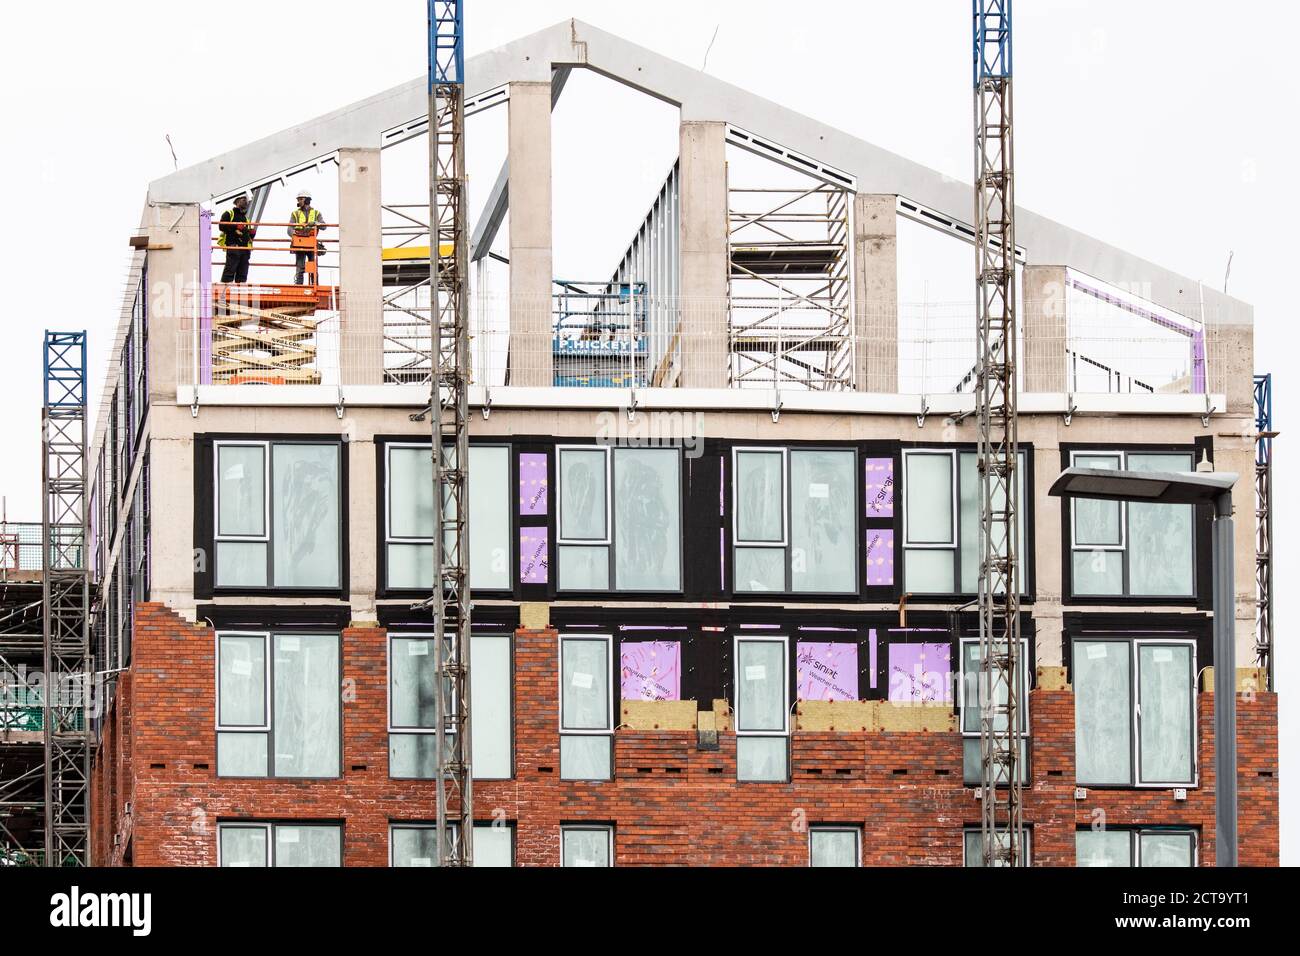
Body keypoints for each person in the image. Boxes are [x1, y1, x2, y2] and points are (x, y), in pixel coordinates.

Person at [288, 190, 327, 285]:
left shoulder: (316, 213)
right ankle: (299, 288)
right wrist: (296, 235)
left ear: (307, 200)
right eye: (298, 199)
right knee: (300, 268)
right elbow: (289, 229)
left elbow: (324, 226)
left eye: (301, 199)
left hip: (311, 244)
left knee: (312, 267)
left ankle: (314, 287)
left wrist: (316, 223)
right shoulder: (295, 214)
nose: (299, 201)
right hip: (300, 244)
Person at [217, 193, 256, 283]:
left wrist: (251, 234)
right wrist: (235, 227)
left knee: (243, 272)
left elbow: (248, 234)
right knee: (230, 269)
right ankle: (225, 291)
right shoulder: (229, 214)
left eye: (246, 200)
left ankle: (240, 293)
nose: (246, 202)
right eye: (243, 200)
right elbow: (222, 226)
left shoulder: (246, 219)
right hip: (233, 245)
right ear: (237, 201)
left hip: (245, 249)